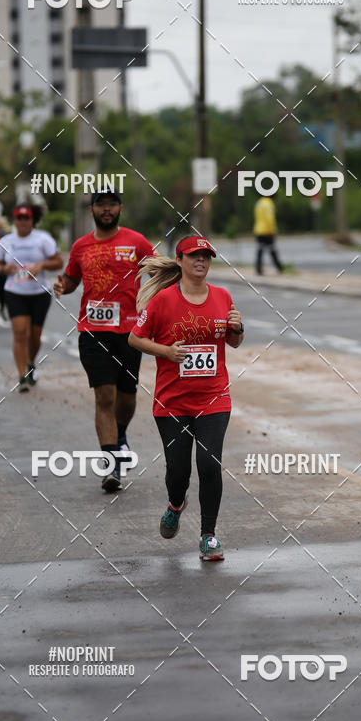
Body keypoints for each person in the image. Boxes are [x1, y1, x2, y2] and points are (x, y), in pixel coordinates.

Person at [128, 235, 244, 561]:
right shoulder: (163, 300)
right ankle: (176, 503)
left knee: (209, 465)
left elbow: (233, 343)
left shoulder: (222, 296)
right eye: (194, 256)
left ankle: (209, 536)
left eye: (206, 256)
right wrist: (166, 351)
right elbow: (135, 338)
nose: (201, 261)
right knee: (178, 472)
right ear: (179, 260)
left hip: (213, 397)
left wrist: (237, 327)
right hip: (172, 401)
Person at [54, 191, 156, 493]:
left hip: (129, 333)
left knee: (126, 398)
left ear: (120, 208)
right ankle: (111, 464)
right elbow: (72, 280)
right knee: (105, 396)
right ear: (92, 210)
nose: (107, 209)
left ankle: (120, 433)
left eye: (112, 204)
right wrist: (64, 285)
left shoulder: (137, 242)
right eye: (101, 204)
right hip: (92, 331)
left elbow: (161, 269)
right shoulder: (80, 246)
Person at [0, 205, 62, 392]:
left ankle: (31, 362)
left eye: (26, 218)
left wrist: (42, 265)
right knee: (20, 333)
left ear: (32, 220)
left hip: (39, 293)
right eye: (19, 218)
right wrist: (3, 269)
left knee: (34, 336)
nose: (22, 222)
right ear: (14, 221)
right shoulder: (6, 241)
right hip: (15, 292)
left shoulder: (43, 239)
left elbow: (59, 261)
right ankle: (21, 375)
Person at [253, 194, 283, 275]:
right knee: (272, 250)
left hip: (258, 230)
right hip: (267, 230)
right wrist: (273, 230)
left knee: (260, 251)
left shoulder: (259, 203)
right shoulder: (269, 204)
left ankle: (258, 269)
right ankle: (279, 267)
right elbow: (269, 218)